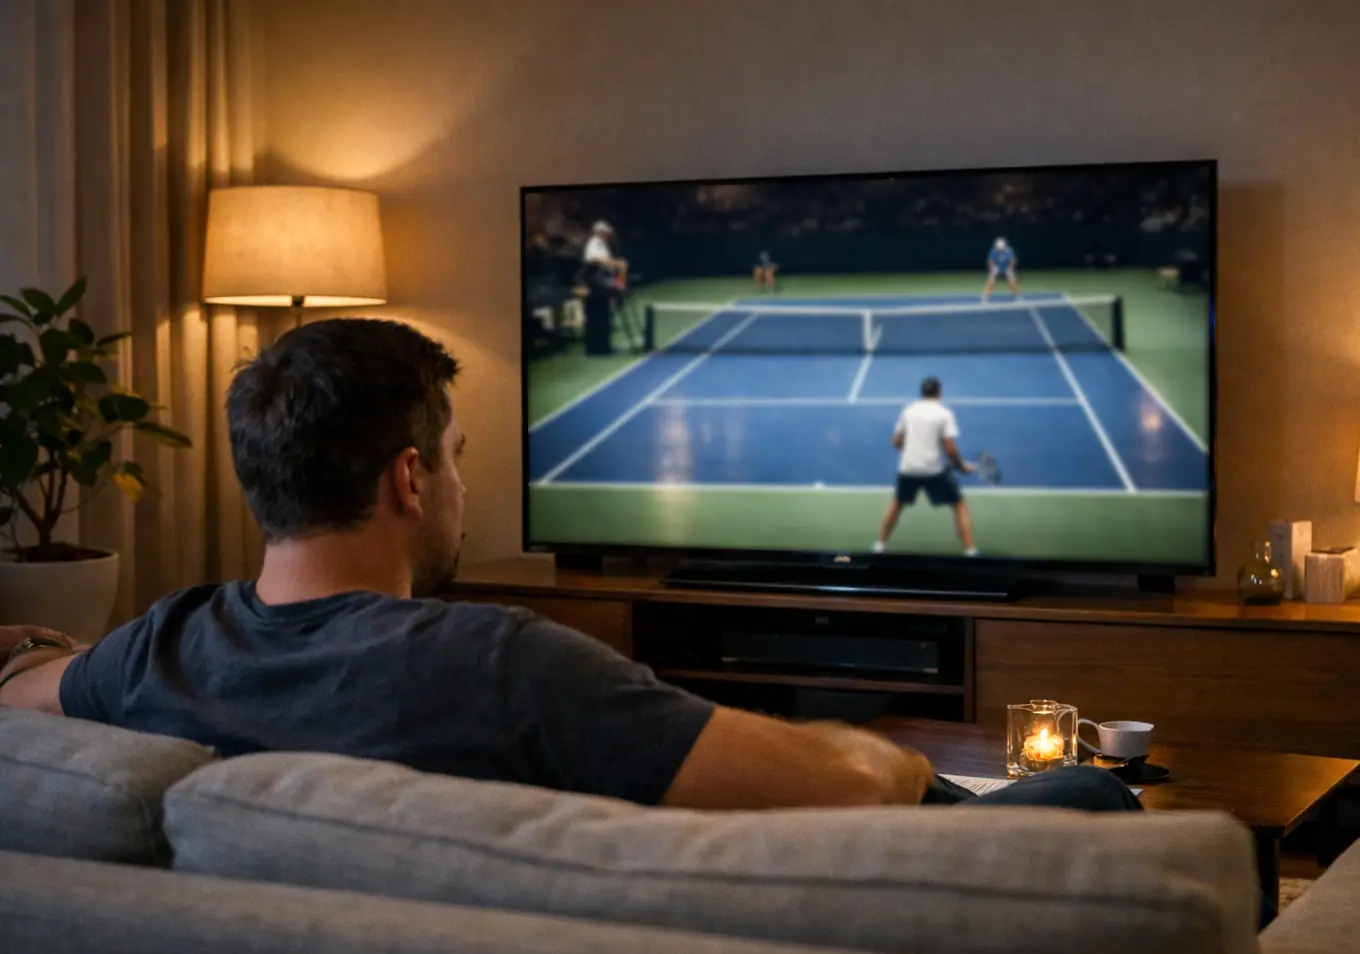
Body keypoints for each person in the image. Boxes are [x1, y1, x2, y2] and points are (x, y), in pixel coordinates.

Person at [0, 319, 1133, 813]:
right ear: (407, 478)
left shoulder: (158, 646)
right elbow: (837, 788)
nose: (458, 483)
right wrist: (891, 757)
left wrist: (44, 650)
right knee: (1084, 790)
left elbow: (23, 693)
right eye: (453, 457)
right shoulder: (499, 660)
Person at [873, 377, 978, 558]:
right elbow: (950, 448)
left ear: (922, 392)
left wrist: (915, 446)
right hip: (933, 471)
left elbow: (896, 442)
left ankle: (879, 544)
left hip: (908, 468)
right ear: (940, 392)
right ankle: (970, 551)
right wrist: (961, 467)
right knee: (959, 505)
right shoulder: (945, 413)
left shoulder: (909, 410)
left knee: (897, 504)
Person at [579, 220, 627, 355]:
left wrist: (618, 272)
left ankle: (604, 346)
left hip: (603, 285)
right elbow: (595, 260)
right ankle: (596, 348)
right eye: (606, 234)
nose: (609, 236)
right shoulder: (593, 243)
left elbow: (608, 264)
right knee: (597, 317)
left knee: (605, 316)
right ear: (600, 233)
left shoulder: (603, 245)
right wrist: (617, 263)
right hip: (596, 287)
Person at [981, 236, 1021, 301]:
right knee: (991, 281)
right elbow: (990, 261)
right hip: (997, 268)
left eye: (1001, 248)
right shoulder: (993, 251)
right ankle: (985, 296)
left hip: (1007, 268)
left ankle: (1017, 295)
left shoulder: (1009, 251)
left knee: (1012, 281)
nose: (1000, 250)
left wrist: (1009, 268)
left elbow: (1013, 261)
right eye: (999, 248)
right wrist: (993, 268)